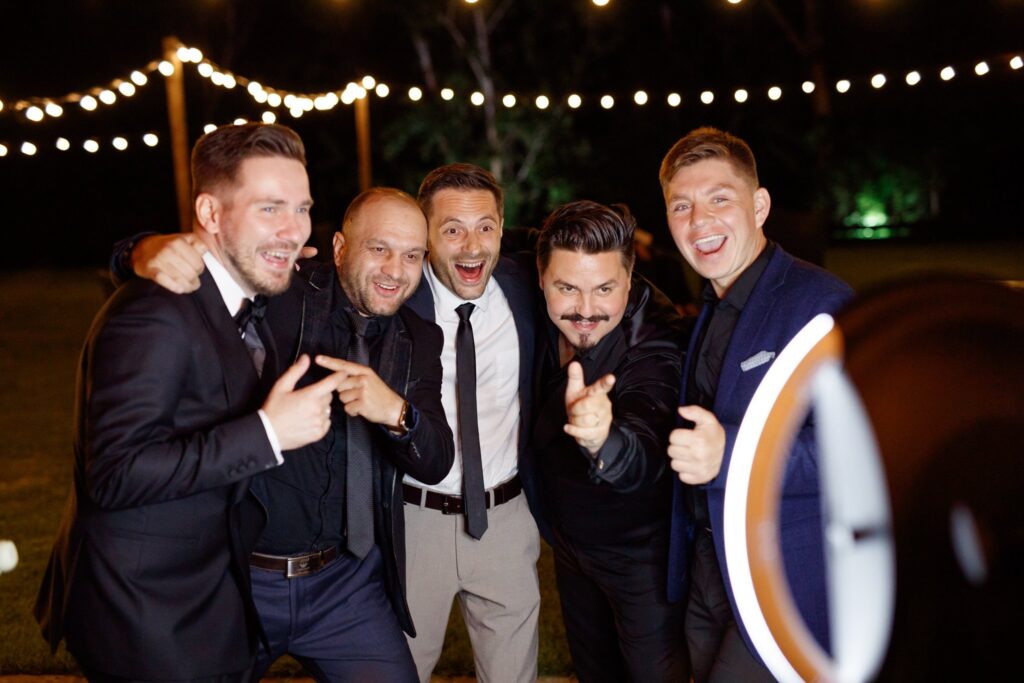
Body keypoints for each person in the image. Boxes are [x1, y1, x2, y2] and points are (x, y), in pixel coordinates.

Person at [34, 122, 345, 681]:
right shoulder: (152, 313)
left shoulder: (258, 289)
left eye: (301, 209)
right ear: (210, 213)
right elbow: (115, 472)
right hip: (142, 606)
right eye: (270, 208)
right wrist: (268, 433)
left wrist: (135, 248)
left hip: (211, 586)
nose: (294, 230)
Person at [114, 187, 456, 680]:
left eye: (410, 256)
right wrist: (141, 250)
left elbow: (437, 460)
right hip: (240, 581)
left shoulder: (417, 337)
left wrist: (397, 413)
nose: (394, 270)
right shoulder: (279, 294)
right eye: (378, 249)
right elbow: (174, 267)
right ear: (339, 247)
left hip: (346, 584)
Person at [660, 126, 854, 681]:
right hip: (708, 572)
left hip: (781, 581)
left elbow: (861, 447)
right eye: (681, 206)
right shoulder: (712, 306)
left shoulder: (820, 303)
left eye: (719, 199)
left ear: (760, 205)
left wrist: (735, 453)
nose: (699, 222)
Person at [523, 200, 690, 682]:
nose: (585, 309)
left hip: (641, 554)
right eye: (566, 287)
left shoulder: (655, 341)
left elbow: (647, 441)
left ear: (631, 274)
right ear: (540, 275)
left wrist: (603, 441)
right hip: (571, 546)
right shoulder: (528, 276)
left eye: (605, 288)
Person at [401, 164, 540, 683]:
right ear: (426, 233)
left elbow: (612, 272)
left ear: (502, 227)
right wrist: (132, 251)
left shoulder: (526, 284)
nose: (471, 247)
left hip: (505, 517)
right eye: (452, 229)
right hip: (415, 523)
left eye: (485, 227)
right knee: (398, 670)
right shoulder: (397, 294)